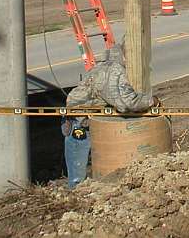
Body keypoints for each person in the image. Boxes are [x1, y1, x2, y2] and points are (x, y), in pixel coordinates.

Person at [62, 39, 159, 188]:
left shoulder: (114, 65)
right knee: (78, 180)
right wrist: (151, 101)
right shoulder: (114, 71)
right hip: (79, 124)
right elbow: (126, 103)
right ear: (129, 55)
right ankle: (76, 203)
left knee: (95, 172)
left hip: (91, 121)